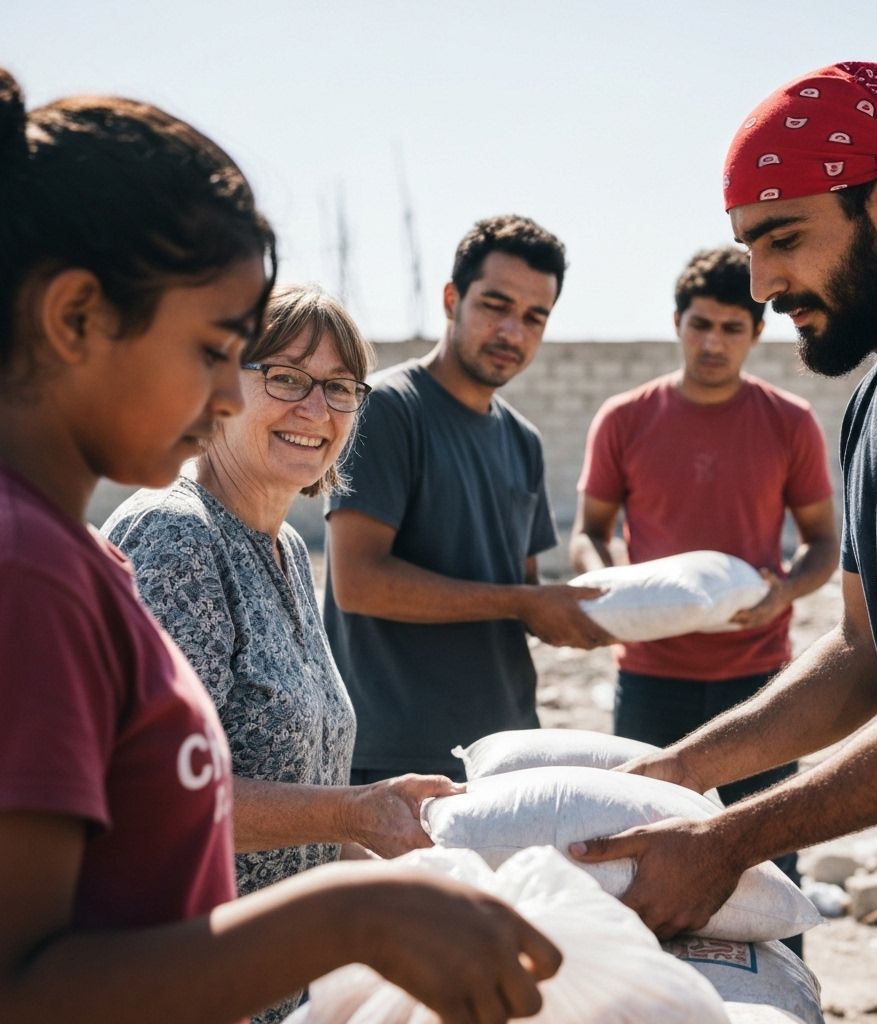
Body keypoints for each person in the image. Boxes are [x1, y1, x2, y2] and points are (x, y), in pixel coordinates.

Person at [0, 68, 560, 1024]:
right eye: (220, 351)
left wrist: (377, 870)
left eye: (339, 388)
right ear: (76, 317)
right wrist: (351, 909)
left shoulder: (120, 559)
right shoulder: (46, 570)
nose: (230, 397)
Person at [570, 61, 877, 1023]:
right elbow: (865, 656)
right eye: (747, 247)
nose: (763, 282)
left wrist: (730, 842)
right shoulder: (873, 403)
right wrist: (677, 773)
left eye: (783, 238)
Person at [102, 284, 463, 1023]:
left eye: (339, 387)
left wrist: (414, 880)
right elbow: (152, 799)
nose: (316, 409)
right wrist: (356, 811)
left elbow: (299, 801)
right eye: (288, 377)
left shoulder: (289, 546)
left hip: (274, 984)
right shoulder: (177, 539)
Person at [569, 245, 838, 953]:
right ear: (677, 323)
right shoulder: (626, 418)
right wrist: (606, 593)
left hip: (760, 686)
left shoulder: (789, 421)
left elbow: (821, 544)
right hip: (650, 680)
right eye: (700, 325)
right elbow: (588, 534)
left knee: (770, 862)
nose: (713, 342)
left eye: (731, 328)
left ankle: (781, 1000)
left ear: (755, 335)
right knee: (636, 860)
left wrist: (785, 592)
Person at [323, 214, 612, 782]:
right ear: (452, 298)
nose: (513, 332)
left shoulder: (522, 439)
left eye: (534, 317)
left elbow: (523, 591)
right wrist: (524, 603)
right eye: (495, 305)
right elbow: (357, 583)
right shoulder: (386, 409)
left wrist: (593, 611)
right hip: (394, 761)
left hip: (505, 750)